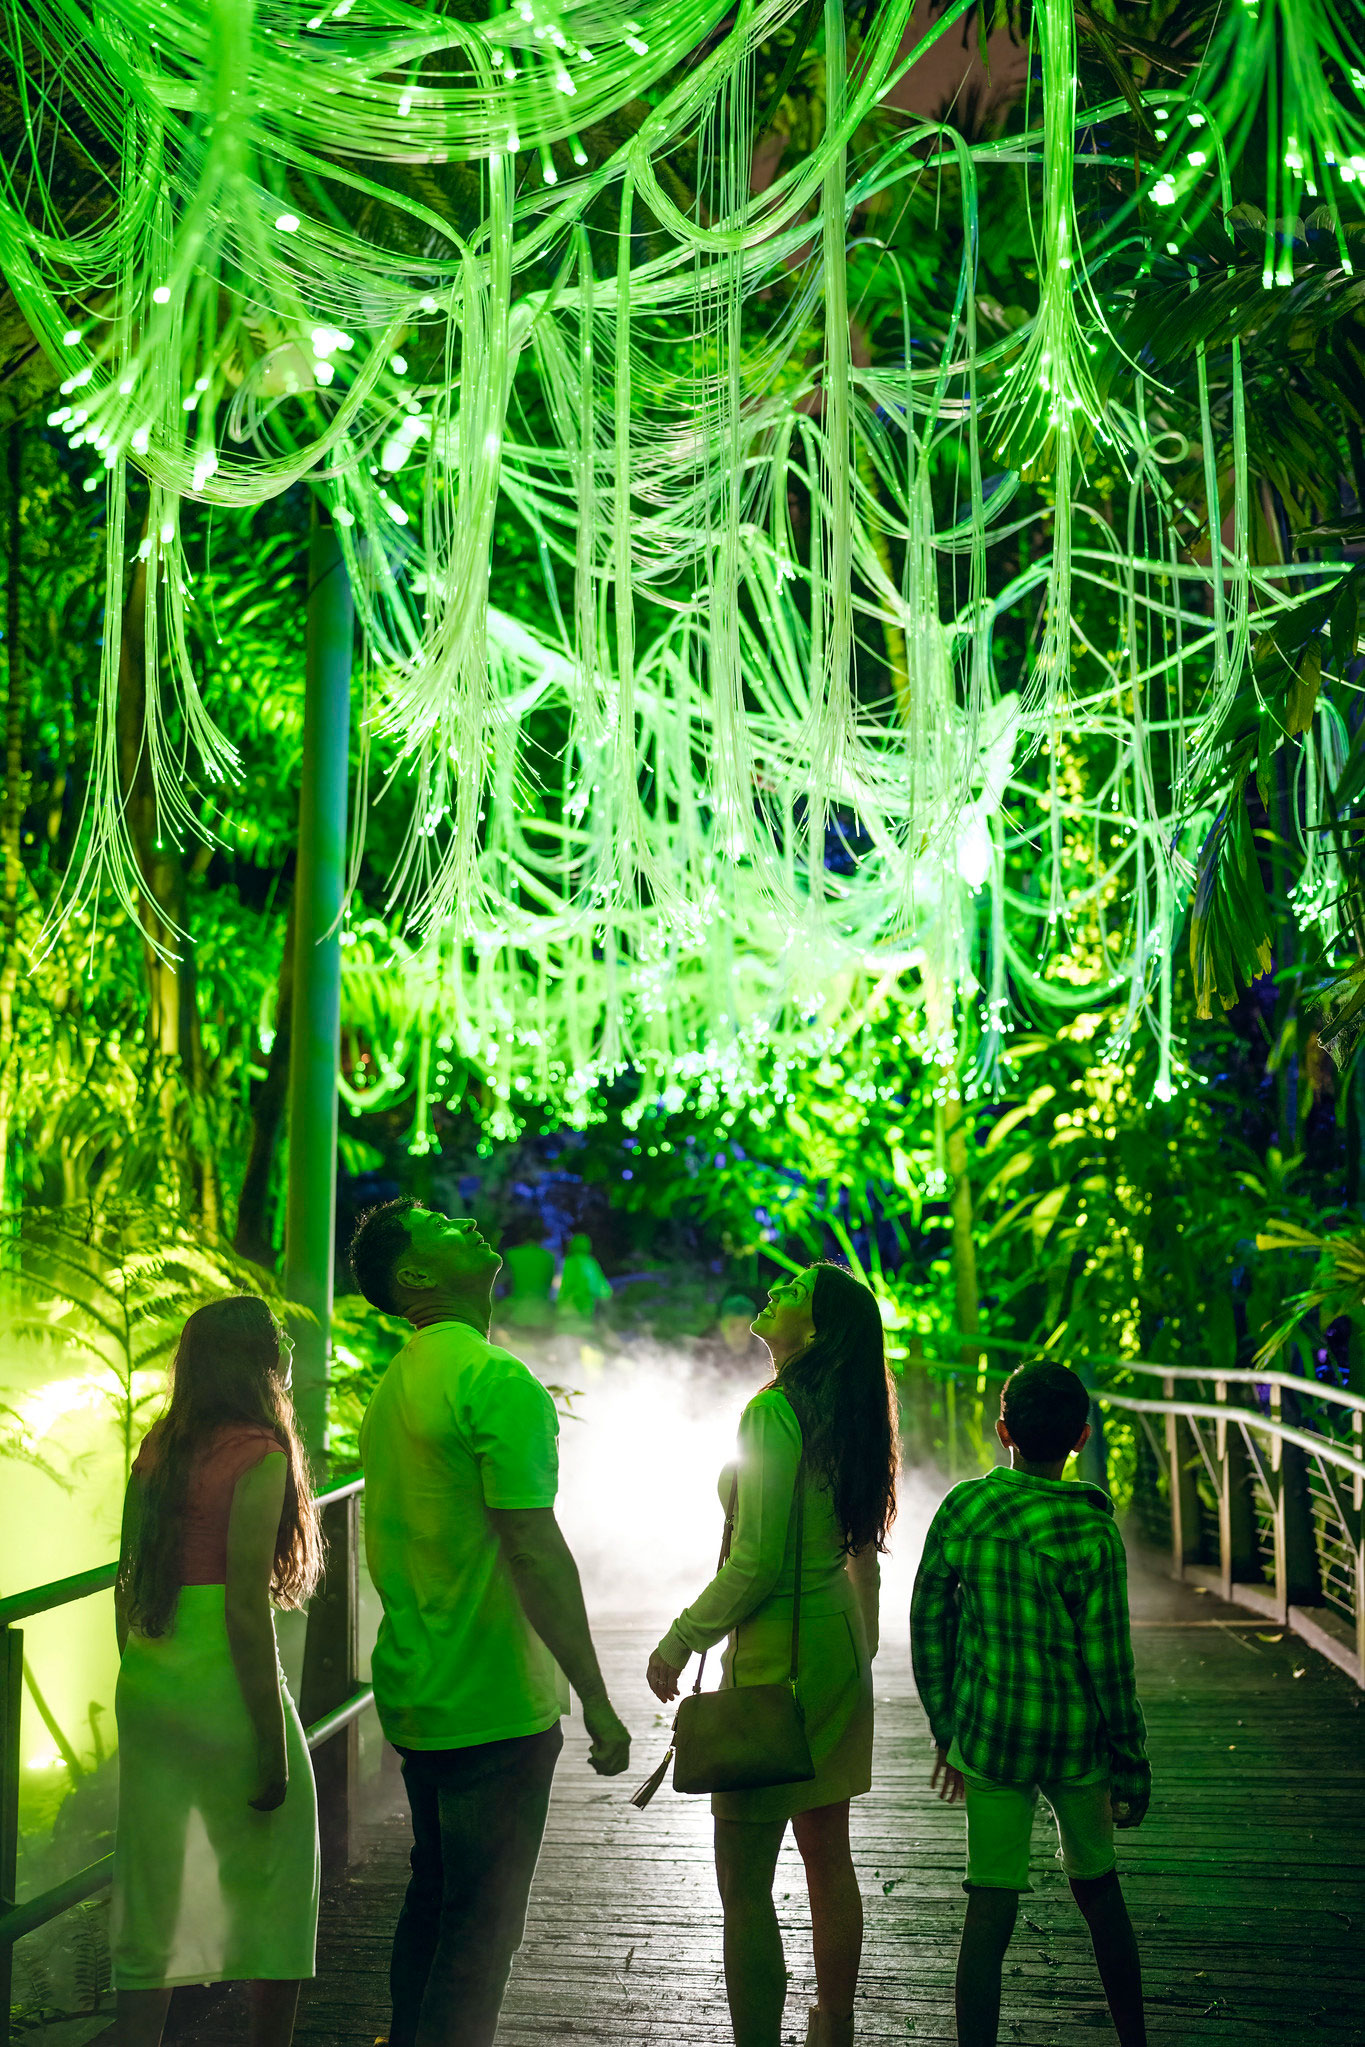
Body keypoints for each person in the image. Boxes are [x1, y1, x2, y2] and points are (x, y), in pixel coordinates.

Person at [348, 1199, 631, 2047]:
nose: (463, 1222)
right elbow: (535, 1552)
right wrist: (596, 1696)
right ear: (415, 1275)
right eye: (437, 1223)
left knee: (435, 1900)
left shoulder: (397, 1381)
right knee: (479, 1935)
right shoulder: (493, 1380)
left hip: (420, 1690)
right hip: (493, 1701)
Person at [646, 1263, 897, 2047]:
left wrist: (681, 1636)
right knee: (829, 1856)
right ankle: (832, 2033)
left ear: (813, 1331)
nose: (773, 1291)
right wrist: (860, 1650)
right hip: (834, 1645)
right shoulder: (850, 1416)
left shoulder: (772, 1412)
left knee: (744, 1882)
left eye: (791, 1290)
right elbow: (863, 1552)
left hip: (774, 1653)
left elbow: (752, 1562)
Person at [910, 1360, 1151, 2047]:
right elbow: (1109, 1664)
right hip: (1076, 1742)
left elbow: (929, 1619)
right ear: (1080, 1436)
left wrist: (947, 1725)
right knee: (1098, 1887)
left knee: (988, 1903)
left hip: (990, 1739)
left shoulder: (965, 1507)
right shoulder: (1092, 1531)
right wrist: (1130, 1761)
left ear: (1001, 1430)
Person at [111, 1295, 323, 2047]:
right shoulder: (260, 1451)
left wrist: (137, 1675)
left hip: (150, 1666)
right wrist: (271, 1745)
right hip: (218, 1674)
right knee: (279, 1874)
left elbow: (126, 1580)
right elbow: (243, 1607)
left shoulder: (158, 1444)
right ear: (260, 1360)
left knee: (153, 1890)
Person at [497, 1217, 556, 1332]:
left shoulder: (511, 1254)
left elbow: (502, 1283)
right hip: (543, 1317)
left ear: (523, 1234)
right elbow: (549, 1286)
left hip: (517, 1315)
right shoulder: (549, 1257)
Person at [555, 1230, 612, 1331]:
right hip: (585, 1313)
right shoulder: (591, 1264)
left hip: (566, 1313)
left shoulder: (566, 1263)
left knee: (565, 1342)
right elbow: (605, 1292)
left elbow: (556, 1287)